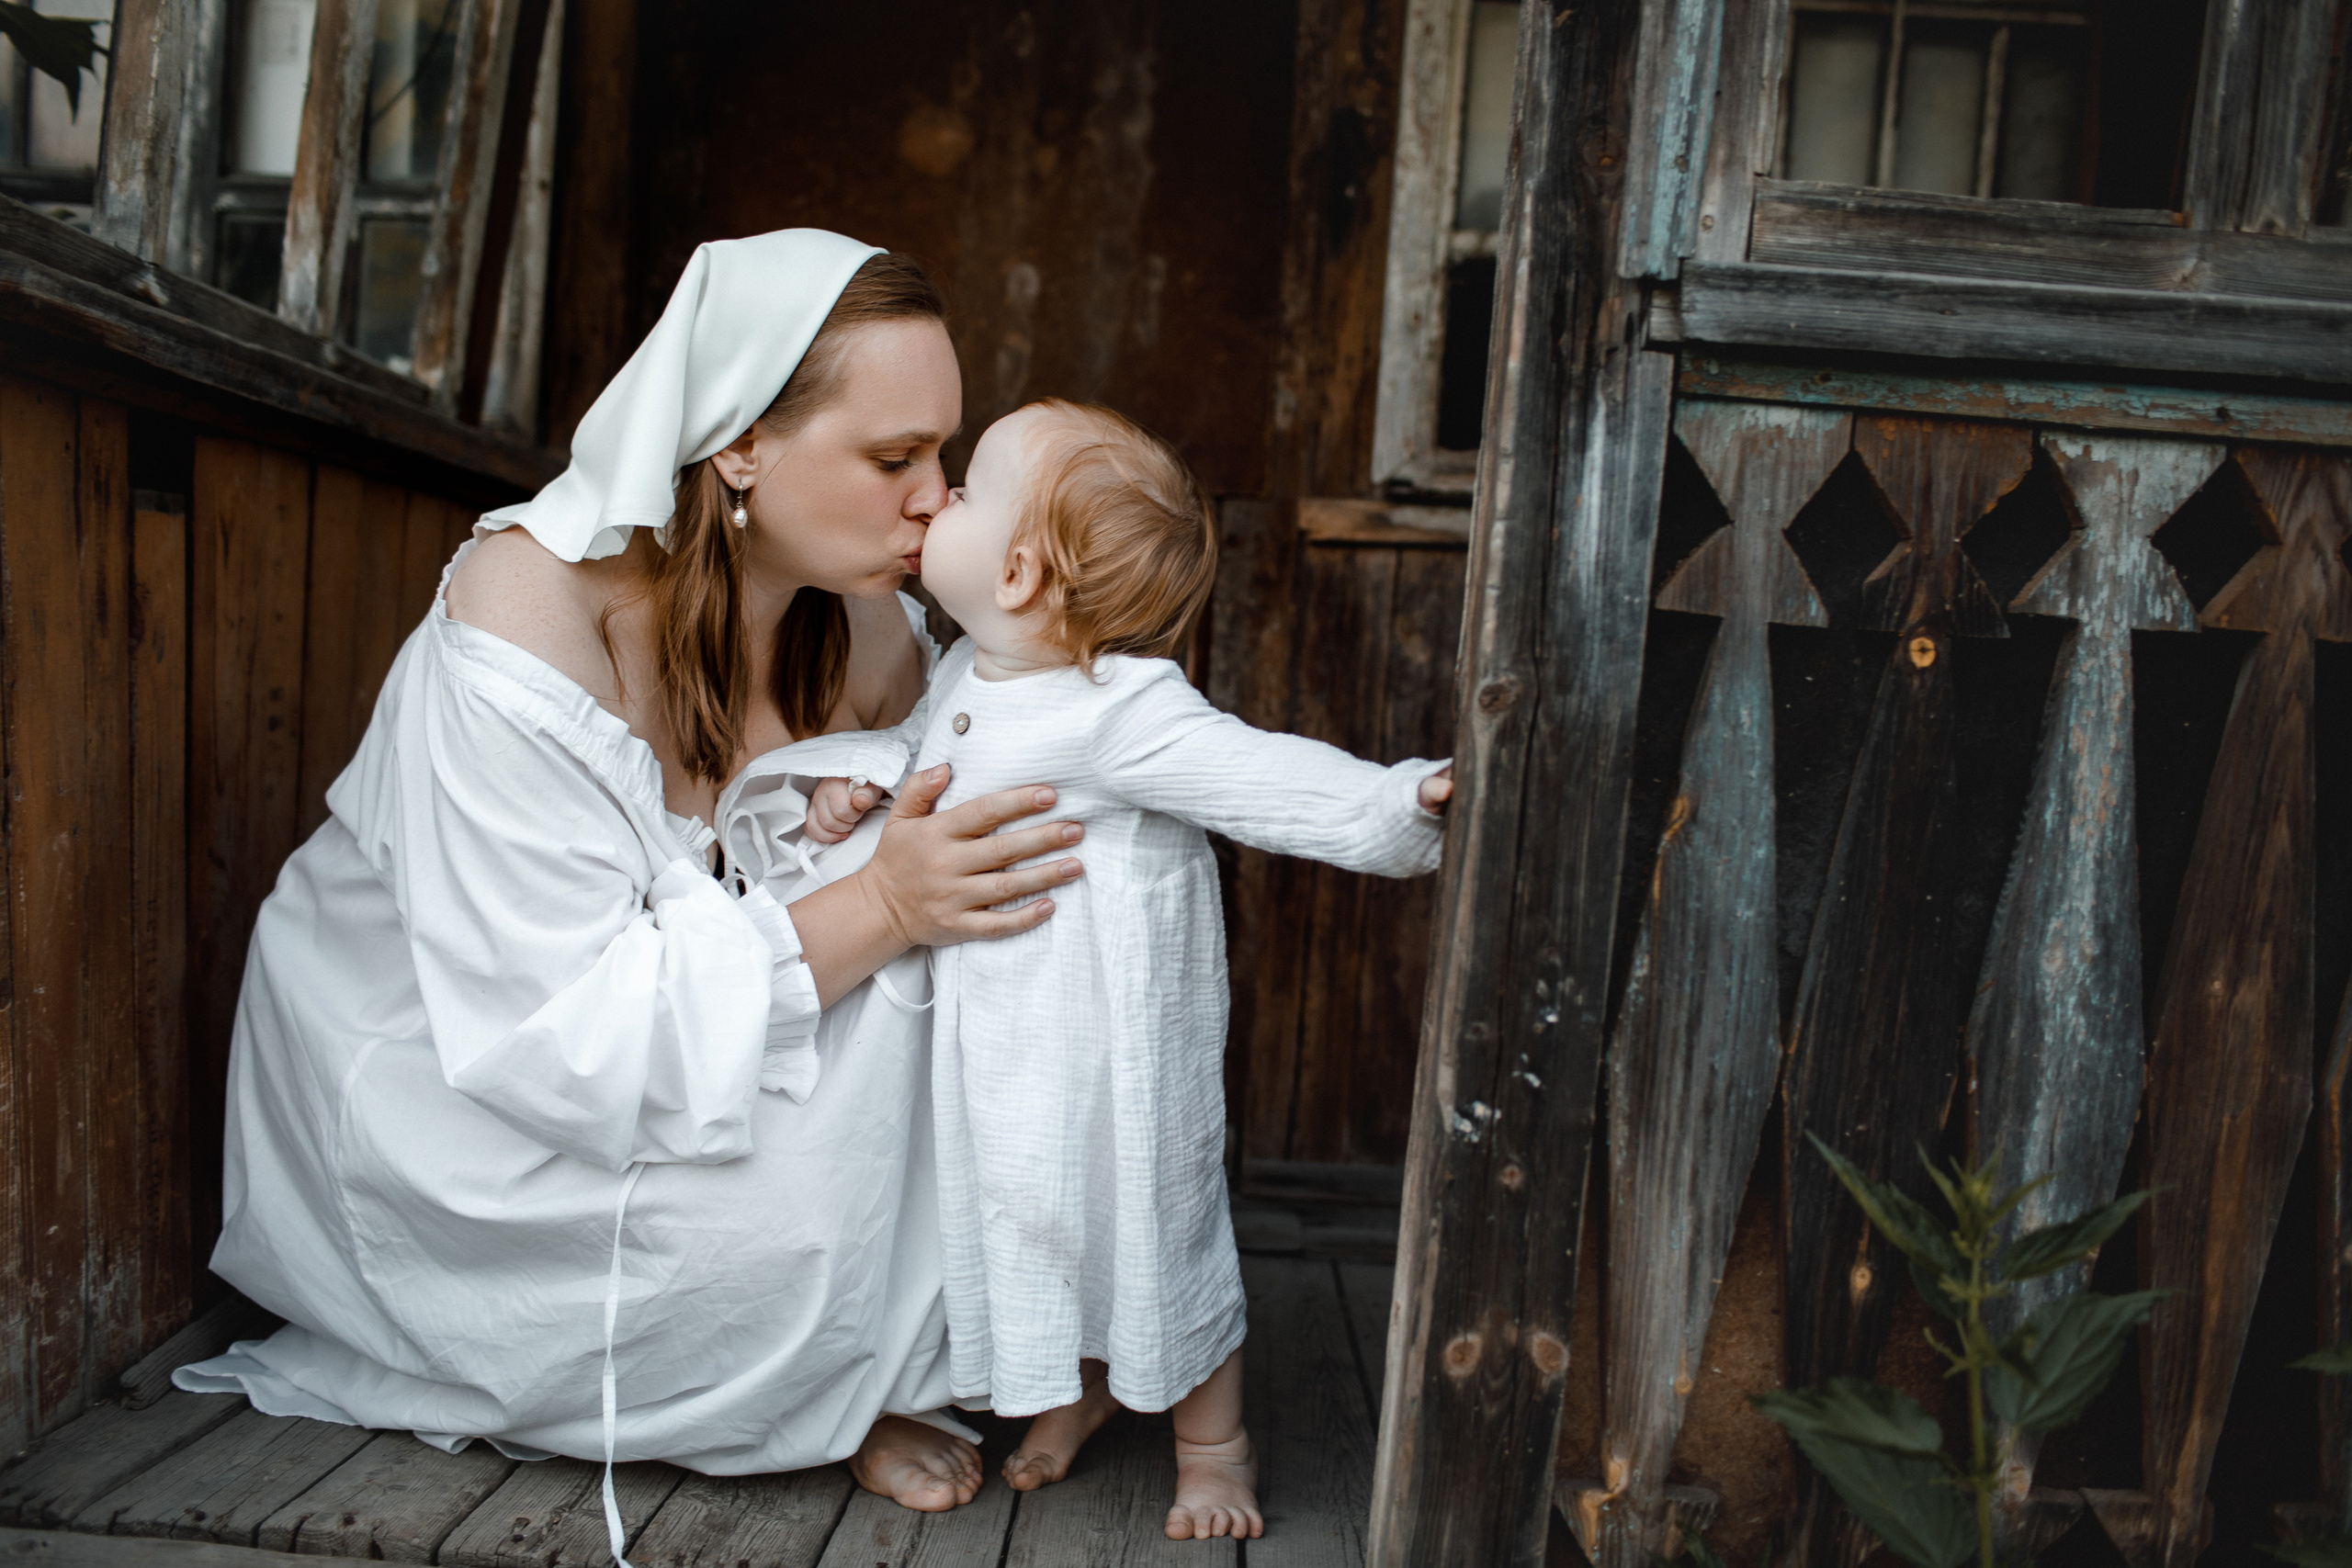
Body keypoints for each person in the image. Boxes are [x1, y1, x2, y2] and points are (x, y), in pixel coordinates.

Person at [175, 231, 1087, 1525]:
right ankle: (827, 1382)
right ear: (738, 446)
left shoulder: (867, 619)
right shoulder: (527, 620)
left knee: (988, 956)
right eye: (896, 459)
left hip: (686, 1037)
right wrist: (884, 897)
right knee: (799, 1204)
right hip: (461, 1095)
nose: (937, 497)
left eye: (943, 454)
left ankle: (866, 1359)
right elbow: (560, 1033)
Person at [809, 399, 1452, 1541]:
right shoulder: (964, 672)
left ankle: (1214, 1449)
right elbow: (922, 760)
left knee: (1151, 1220)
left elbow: (1260, 775)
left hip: (1111, 1049)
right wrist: (859, 783)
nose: (933, 495)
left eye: (961, 491)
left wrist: (1394, 801)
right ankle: (1079, 1385)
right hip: (1002, 1042)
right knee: (1028, 1215)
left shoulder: (1123, 708)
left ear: (1014, 572)